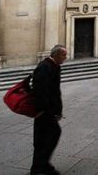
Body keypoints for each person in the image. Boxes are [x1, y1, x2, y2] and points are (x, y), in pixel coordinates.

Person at [30, 44, 67, 175]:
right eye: (63, 55)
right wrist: (42, 110)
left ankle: (40, 166)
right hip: (44, 111)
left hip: (49, 111)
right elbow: (40, 91)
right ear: (55, 55)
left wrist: (58, 110)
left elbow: (55, 92)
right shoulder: (44, 67)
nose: (66, 58)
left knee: (44, 138)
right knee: (48, 136)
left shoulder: (54, 66)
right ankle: (40, 166)